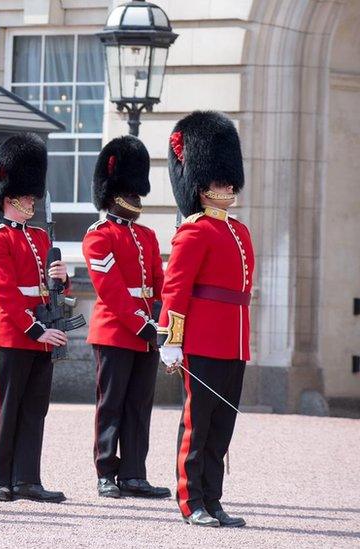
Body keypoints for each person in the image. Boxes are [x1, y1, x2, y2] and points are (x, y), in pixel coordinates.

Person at [158, 110, 253, 528]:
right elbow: (175, 290)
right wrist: (172, 339)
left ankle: (213, 500)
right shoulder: (193, 231)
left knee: (222, 428)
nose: (226, 186)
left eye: (228, 180)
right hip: (201, 341)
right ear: (200, 185)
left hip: (233, 341)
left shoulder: (239, 230)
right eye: (218, 180)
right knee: (198, 426)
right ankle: (189, 500)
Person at [0, 133, 68, 504]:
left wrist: (63, 280)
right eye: (27, 195)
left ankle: (28, 478)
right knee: (10, 408)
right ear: (9, 196)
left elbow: (48, 289)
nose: (33, 200)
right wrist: (37, 331)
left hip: (43, 330)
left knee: (35, 409)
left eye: (33, 195)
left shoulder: (40, 238)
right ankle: (3, 479)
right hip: (16, 335)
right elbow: (5, 293)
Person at [83, 135, 171, 500]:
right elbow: (112, 290)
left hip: (146, 331)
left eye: (137, 193)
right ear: (113, 193)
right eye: (131, 193)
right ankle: (107, 471)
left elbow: (159, 284)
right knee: (112, 403)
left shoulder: (147, 236)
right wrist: (143, 324)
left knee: (139, 405)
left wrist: (163, 322)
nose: (136, 199)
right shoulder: (98, 236)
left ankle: (134, 473)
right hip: (116, 332)